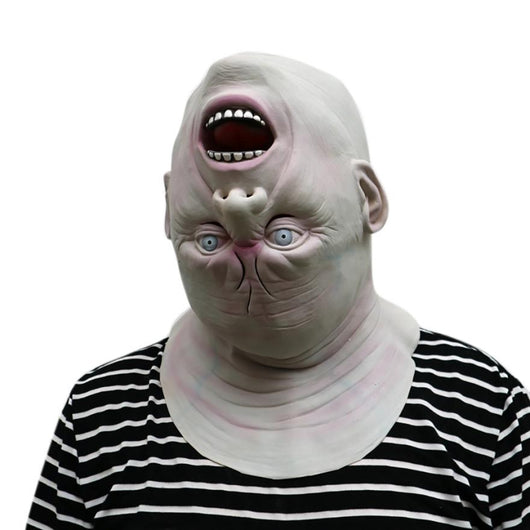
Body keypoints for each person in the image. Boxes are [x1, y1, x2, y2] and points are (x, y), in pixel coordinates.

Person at [27, 53, 530, 529]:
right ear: (167, 210)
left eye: (284, 233)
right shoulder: (99, 417)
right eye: (210, 238)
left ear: (368, 201)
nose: (247, 254)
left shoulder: (482, 411)